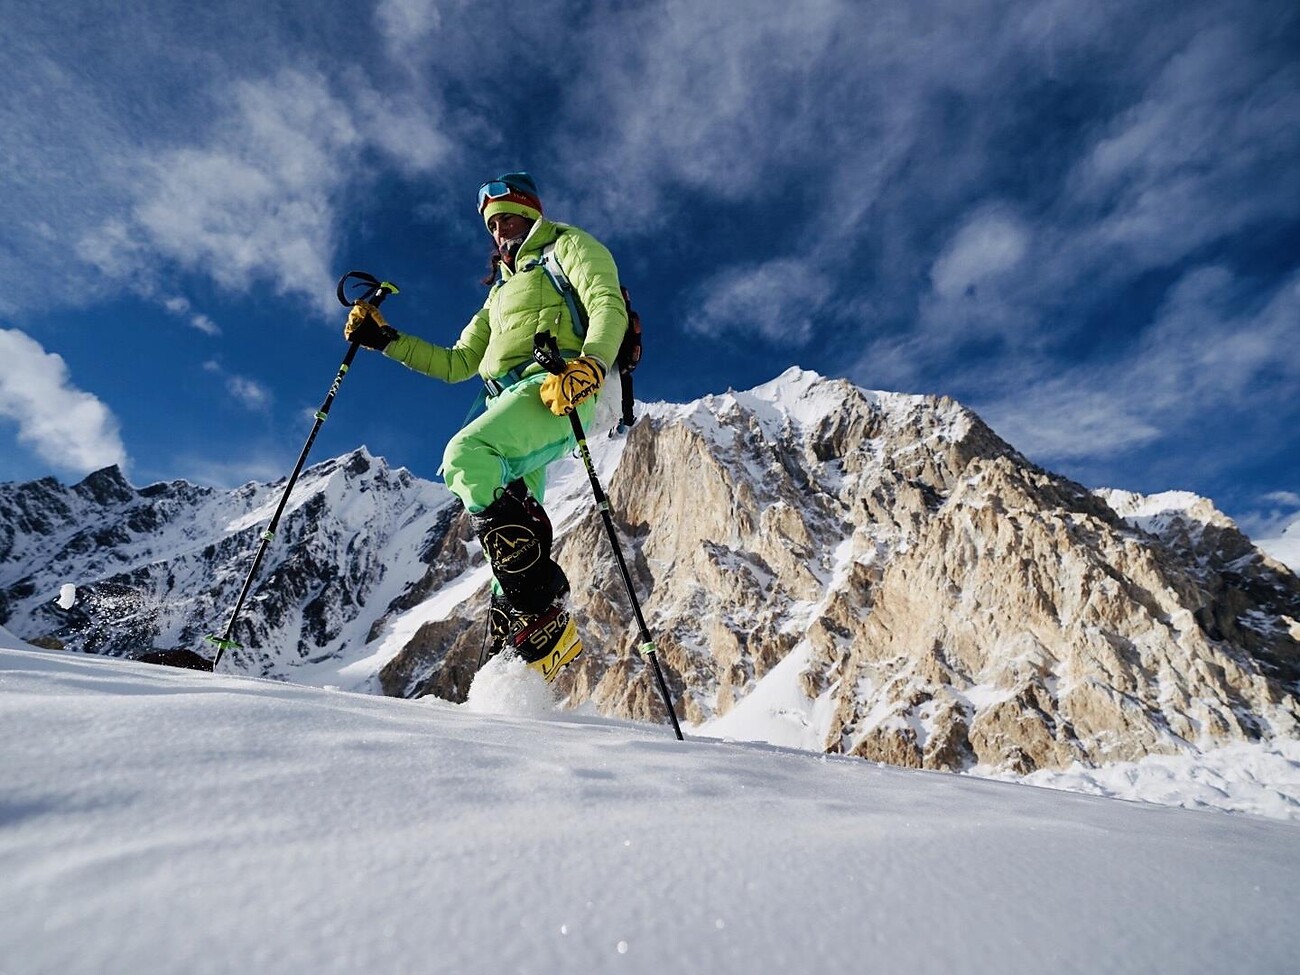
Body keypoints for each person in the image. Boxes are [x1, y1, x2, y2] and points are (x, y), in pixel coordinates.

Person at [343, 172, 627, 682]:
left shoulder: (567, 246)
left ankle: (540, 606)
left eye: (507, 218)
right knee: (510, 543)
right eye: (491, 225)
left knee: (465, 456)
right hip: (509, 404)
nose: (499, 231)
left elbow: (607, 302)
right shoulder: (497, 295)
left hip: (558, 388)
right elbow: (456, 363)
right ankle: (516, 671)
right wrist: (385, 340)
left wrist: (592, 364)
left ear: (531, 213)